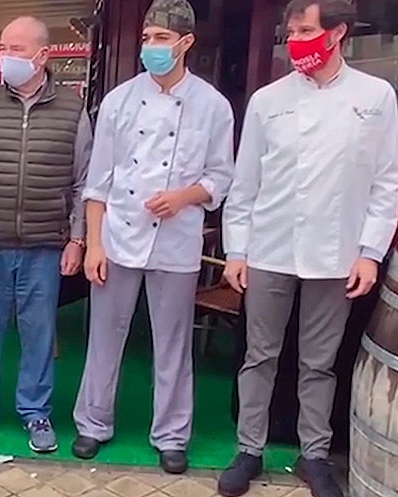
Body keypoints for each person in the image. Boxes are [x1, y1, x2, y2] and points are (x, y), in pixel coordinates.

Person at [219, 1, 398, 496]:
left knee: (319, 362)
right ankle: (248, 449)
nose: (296, 40)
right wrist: (236, 250)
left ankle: (314, 454)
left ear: (337, 33)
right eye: (292, 31)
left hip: (337, 253)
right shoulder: (268, 100)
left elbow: (386, 183)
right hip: (269, 246)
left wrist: (370, 252)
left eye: (306, 31)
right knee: (260, 355)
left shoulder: (375, 97)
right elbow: (245, 183)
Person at [70, 0, 234, 473]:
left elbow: (221, 177)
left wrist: (184, 196)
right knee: (105, 336)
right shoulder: (119, 101)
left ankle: (172, 435)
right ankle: (93, 423)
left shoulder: (213, 106)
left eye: (162, 38)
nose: (152, 47)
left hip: (176, 240)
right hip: (118, 235)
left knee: (173, 344)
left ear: (186, 43)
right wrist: (95, 244)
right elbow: (98, 183)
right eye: (147, 38)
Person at [0, 16, 92, 453]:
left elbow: (83, 182)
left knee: (39, 336)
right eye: (4, 47)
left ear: (42, 55)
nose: (6, 57)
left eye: (16, 49)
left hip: (45, 246)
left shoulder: (72, 109)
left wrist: (77, 239)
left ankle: (36, 412)